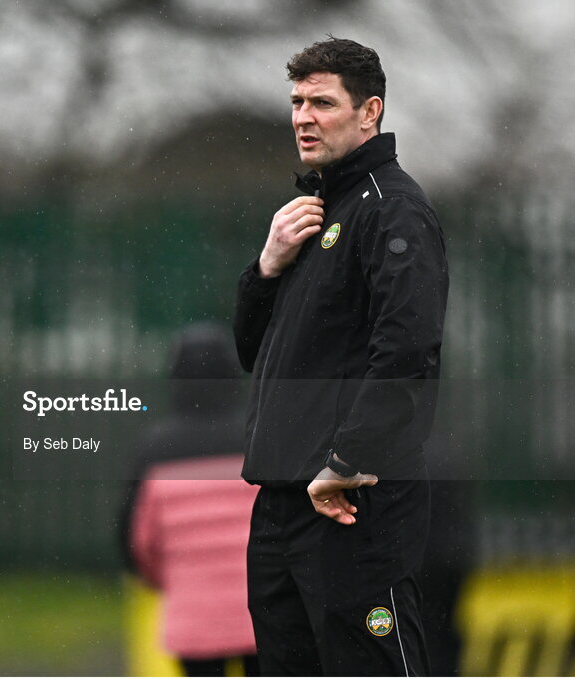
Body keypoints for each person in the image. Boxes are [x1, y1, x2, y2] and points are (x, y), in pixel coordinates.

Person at [232, 38, 448, 676]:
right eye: (297, 101)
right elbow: (252, 353)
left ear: (369, 112)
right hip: (280, 503)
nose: (303, 116)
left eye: (322, 102)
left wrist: (347, 460)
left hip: (351, 503)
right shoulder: (315, 212)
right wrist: (266, 268)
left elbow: (408, 352)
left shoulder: (393, 209)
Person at [122, 323, 259, 676]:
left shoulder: (154, 450)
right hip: (262, 614)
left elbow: (139, 543)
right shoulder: (259, 437)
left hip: (195, 619)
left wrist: (170, 581)